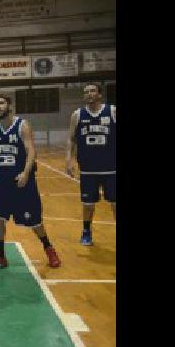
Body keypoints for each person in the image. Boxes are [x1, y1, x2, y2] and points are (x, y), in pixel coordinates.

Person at [0, 94, 61, 269]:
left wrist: (25, 172)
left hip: (22, 182)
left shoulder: (22, 125)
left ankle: (49, 248)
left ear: (9, 106)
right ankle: (0, 256)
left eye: (1, 103)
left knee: (35, 222)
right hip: (2, 182)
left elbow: (31, 151)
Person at [64, 83, 116, 246]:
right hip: (88, 169)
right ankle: (86, 231)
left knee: (115, 203)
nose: (89, 94)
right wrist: (69, 159)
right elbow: (71, 138)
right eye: (86, 92)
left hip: (111, 168)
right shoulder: (77, 115)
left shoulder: (112, 111)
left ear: (99, 94)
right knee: (88, 204)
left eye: (92, 91)